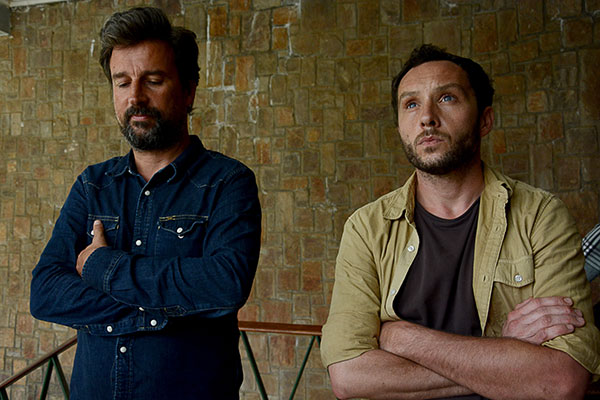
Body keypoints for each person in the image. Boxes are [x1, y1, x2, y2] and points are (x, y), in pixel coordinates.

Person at [321, 44, 600, 400]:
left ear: (485, 119)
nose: (426, 117)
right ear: (400, 127)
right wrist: (503, 349)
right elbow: (349, 377)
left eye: (447, 98)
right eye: (411, 104)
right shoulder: (367, 228)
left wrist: (401, 337)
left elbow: (561, 380)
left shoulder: (540, 216)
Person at [30, 7, 261, 400]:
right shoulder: (92, 185)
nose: (135, 96)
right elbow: (46, 291)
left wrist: (104, 267)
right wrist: (166, 311)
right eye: (122, 83)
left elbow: (224, 284)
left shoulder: (228, 182)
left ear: (188, 91)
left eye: (153, 80)